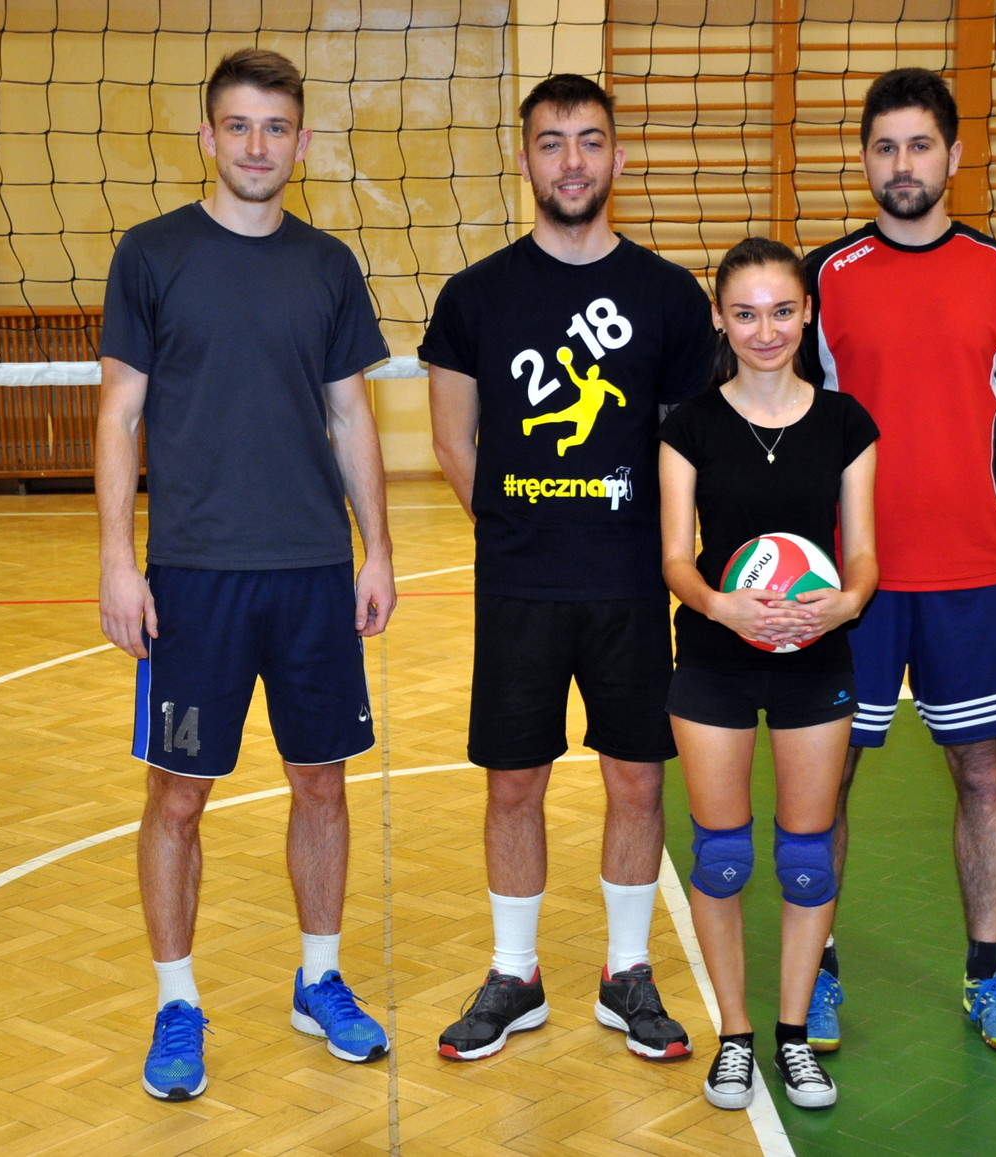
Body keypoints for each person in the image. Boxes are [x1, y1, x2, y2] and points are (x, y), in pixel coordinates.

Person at [96, 48, 396, 1102]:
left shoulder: (329, 265)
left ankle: (320, 979)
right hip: (194, 577)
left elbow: (350, 414)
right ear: (209, 137)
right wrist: (117, 560)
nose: (257, 145)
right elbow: (119, 413)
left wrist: (378, 548)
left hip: (312, 572)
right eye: (238, 125)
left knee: (322, 782)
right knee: (178, 796)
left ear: (301, 144)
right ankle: (177, 1002)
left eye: (275, 128)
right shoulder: (151, 255)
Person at [421, 73, 717, 1064]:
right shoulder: (474, 296)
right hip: (520, 584)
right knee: (514, 782)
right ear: (525, 160)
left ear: (617, 157)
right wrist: (521, 525)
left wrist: (656, 546)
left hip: (630, 583)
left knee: (636, 776)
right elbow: (453, 441)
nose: (572, 160)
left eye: (589, 140)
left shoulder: (668, 296)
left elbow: (684, 447)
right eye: (552, 142)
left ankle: (626, 971)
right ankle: (515, 973)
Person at [801, 67, 996, 1055]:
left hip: (970, 572)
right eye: (884, 146)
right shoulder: (823, 277)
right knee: (824, 780)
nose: (901, 164)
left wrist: (945, 473)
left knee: (983, 772)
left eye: (919, 145)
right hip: (851, 581)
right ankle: (815, 969)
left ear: (954, 154)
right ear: (864, 158)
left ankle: (987, 970)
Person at [659, 238, 877, 1111]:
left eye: (782, 310)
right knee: (720, 858)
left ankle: (793, 1037)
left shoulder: (847, 423)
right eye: (745, 313)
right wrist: (723, 607)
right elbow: (675, 559)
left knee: (807, 861)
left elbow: (863, 553)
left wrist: (845, 603)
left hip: (815, 656)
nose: (766, 330)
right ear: (720, 318)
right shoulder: (689, 425)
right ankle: (736, 1037)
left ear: (807, 313)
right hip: (715, 656)